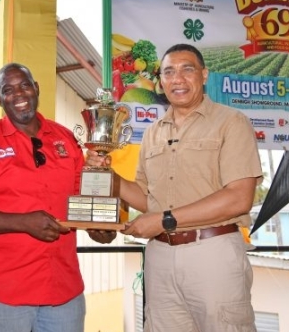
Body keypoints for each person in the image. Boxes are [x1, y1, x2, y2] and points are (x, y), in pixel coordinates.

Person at [92, 44, 262, 332]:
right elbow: (149, 200)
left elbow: (239, 199)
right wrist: (110, 177)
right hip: (160, 257)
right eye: (169, 72)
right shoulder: (153, 133)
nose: (177, 79)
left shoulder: (231, 122)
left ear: (204, 75)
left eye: (187, 69)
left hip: (212, 252)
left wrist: (164, 220)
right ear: (161, 81)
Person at [0, 62, 116, 332]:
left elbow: (81, 195)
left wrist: (99, 226)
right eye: (8, 89)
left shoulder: (64, 138)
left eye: (25, 85)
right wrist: (24, 222)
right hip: (4, 289)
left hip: (63, 286)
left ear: (36, 88)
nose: (18, 94)